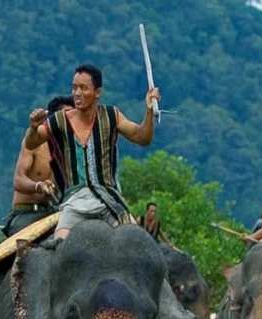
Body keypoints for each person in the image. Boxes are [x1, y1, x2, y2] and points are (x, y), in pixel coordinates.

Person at [24, 64, 160, 240]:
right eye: (74, 88)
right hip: (74, 202)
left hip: (108, 200)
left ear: (97, 92)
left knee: (137, 242)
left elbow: (142, 137)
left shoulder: (112, 115)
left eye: (83, 88)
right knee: (60, 243)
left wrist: (149, 112)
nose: (77, 93)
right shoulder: (59, 120)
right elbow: (31, 142)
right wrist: (33, 128)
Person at [3, 95, 73, 238]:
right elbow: (18, 180)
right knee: (24, 253)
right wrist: (38, 186)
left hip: (53, 214)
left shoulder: (71, 151)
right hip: (26, 214)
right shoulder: (34, 143)